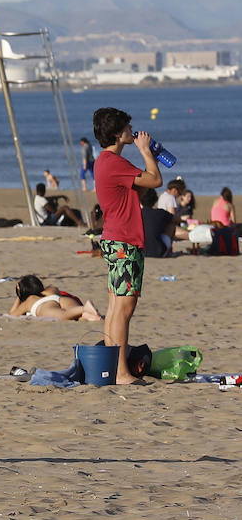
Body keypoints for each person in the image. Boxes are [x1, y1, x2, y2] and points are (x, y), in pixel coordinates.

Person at [92, 106, 163, 385]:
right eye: (127, 127)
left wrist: (148, 159)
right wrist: (146, 151)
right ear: (117, 133)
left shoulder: (104, 162)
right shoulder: (115, 163)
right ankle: (121, 372)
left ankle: (111, 369)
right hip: (124, 240)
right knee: (124, 308)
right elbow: (156, 180)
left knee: (114, 306)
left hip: (113, 238)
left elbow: (139, 187)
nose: (131, 131)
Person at [9, 275, 101, 321]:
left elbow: (12, 314)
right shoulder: (51, 289)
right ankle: (86, 315)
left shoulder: (28, 300)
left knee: (63, 315)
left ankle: (84, 308)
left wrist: (19, 297)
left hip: (44, 305)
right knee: (73, 314)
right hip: (62, 299)